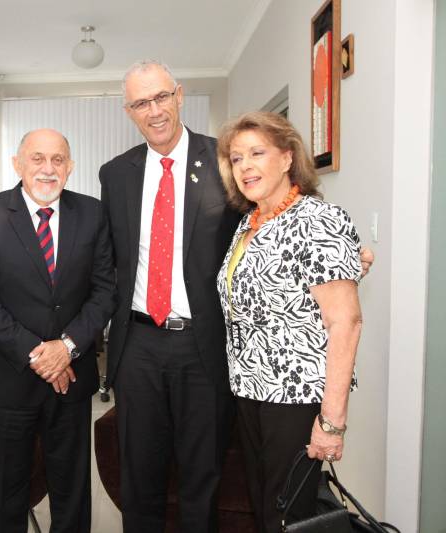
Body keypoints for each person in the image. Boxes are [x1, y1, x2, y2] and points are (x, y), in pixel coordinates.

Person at [99, 61, 240, 533]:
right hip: (137, 345)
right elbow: (108, 258)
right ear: (129, 111)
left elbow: (264, 220)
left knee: (202, 474)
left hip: (203, 344)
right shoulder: (115, 174)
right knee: (138, 475)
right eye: (141, 103)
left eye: (161, 97)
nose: (154, 110)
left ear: (179, 95)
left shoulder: (225, 160)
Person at [215, 111, 362, 532]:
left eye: (257, 153)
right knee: (268, 511)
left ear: (287, 157)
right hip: (251, 391)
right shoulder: (250, 223)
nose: (245, 166)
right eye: (237, 158)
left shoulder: (318, 220)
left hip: (295, 399)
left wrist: (331, 423)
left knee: (288, 518)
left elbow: (346, 323)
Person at [0, 129, 116, 533]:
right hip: (8, 380)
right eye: (37, 158)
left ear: (70, 167)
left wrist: (66, 348)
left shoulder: (93, 214)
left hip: (72, 378)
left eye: (57, 159)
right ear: (17, 164)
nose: (48, 169)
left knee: (72, 494)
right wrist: (39, 354)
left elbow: (105, 291)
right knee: (6, 496)